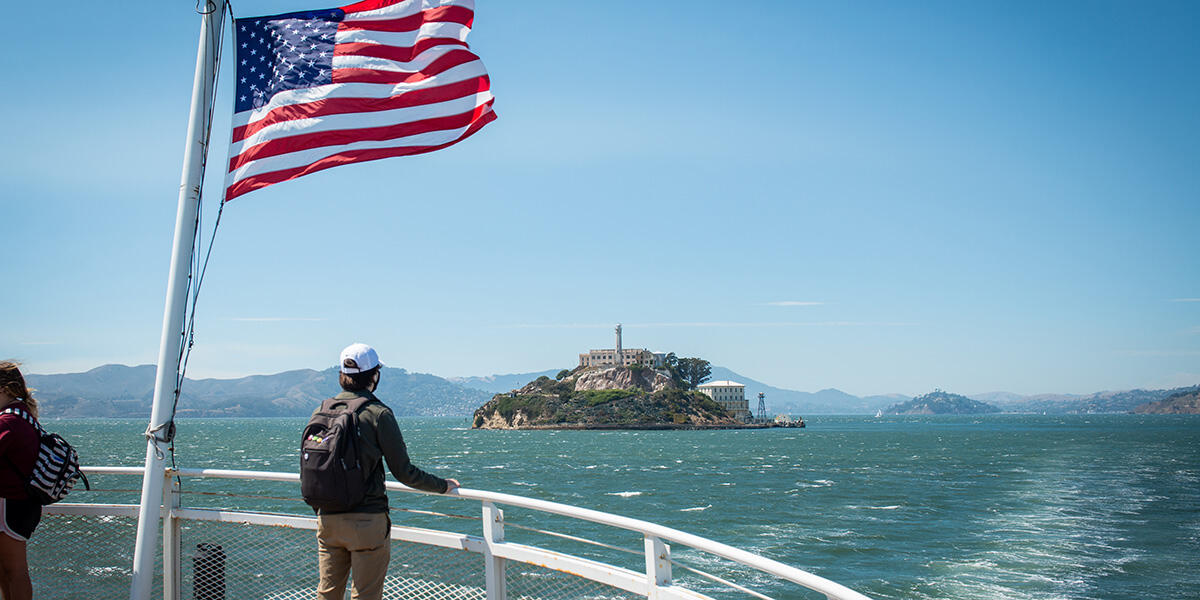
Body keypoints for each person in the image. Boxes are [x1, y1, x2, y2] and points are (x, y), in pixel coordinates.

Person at [314, 344, 459, 600]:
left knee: (327, 595)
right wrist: (442, 485)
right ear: (374, 375)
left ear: (342, 374)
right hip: (366, 521)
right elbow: (404, 472)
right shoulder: (377, 414)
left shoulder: (322, 411)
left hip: (327, 518)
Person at [0, 362, 41, 600]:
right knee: (6, 571)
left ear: (5, 388)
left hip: (10, 505)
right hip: (21, 505)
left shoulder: (9, 422)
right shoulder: (23, 416)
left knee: (13, 570)